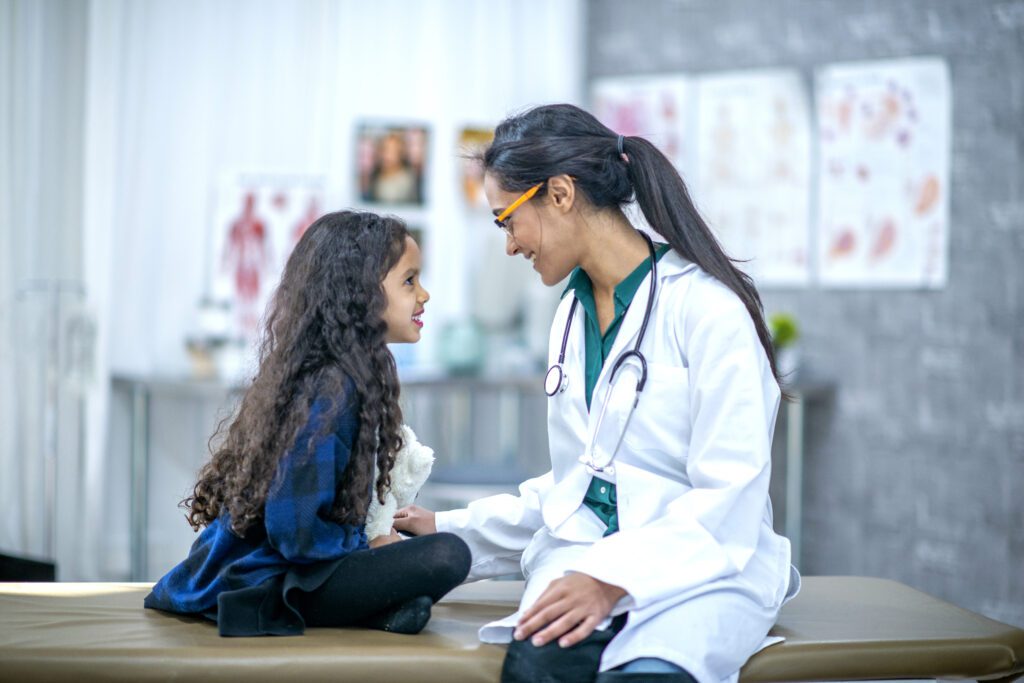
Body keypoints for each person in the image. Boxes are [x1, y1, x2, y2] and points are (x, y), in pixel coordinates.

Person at [394, 104, 800, 683]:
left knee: (649, 673)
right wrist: (451, 527)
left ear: (559, 193)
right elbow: (579, 490)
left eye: (506, 220)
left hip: (702, 574)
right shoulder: (570, 316)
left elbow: (728, 499)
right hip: (585, 562)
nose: (509, 245)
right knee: (538, 664)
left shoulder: (708, 311)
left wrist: (611, 578)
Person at [145, 211, 470, 637]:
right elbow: (293, 531)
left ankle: (381, 609)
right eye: (409, 281)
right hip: (268, 580)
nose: (424, 295)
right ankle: (342, 609)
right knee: (447, 555)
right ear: (359, 292)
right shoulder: (333, 388)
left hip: (304, 569)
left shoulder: (350, 375)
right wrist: (368, 546)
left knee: (429, 561)